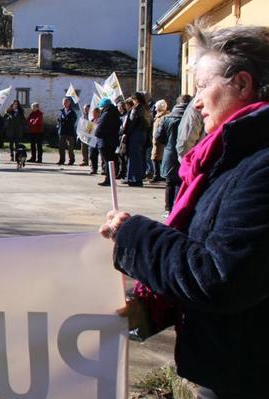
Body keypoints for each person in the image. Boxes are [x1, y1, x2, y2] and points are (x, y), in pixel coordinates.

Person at [99, 24, 269, 398]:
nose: (194, 101)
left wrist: (134, 236)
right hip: (228, 367)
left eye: (202, 85)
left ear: (242, 84)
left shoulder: (260, 167)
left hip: (246, 378)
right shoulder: (229, 159)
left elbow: (220, 277)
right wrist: (148, 308)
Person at [157, 95, 190, 216]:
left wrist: (168, 143)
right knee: (182, 181)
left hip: (170, 152)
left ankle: (168, 209)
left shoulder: (167, 118)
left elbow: (159, 136)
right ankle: (178, 207)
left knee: (169, 182)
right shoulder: (191, 117)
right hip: (187, 153)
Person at [122, 92, 149, 187]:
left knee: (134, 157)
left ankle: (134, 178)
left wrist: (126, 133)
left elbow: (131, 122)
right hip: (143, 135)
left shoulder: (136, 109)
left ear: (136, 100)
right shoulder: (146, 109)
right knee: (139, 157)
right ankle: (137, 177)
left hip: (135, 134)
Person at [95, 98, 121, 186]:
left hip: (105, 141)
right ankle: (112, 178)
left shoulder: (106, 114)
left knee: (107, 161)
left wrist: (96, 133)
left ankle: (108, 179)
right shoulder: (115, 113)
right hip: (113, 141)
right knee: (112, 160)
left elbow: (100, 128)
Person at [150, 99, 170, 183]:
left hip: (159, 141)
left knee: (156, 158)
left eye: (156, 108)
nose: (155, 109)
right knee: (157, 158)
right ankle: (159, 174)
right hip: (156, 140)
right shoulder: (160, 116)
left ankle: (158, 175)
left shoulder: (163, 117)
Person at [56, 96, 77, 165]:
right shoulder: (61, 111)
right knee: (61, 147)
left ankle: (71, 160)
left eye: (66, 102)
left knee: (70, 147)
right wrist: (58, 126)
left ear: (69, 103)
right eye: (64, 102)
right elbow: (58, 120)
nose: (65, 103)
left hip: (69, 132)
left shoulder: (72, 112)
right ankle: (61, 160)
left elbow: (73, 120)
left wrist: (65, 121)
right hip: (62, 131)